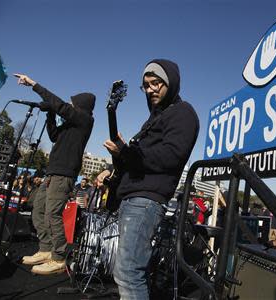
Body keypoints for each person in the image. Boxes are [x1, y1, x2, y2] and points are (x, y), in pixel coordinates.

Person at [99, 59, 199, 299]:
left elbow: (171, 156)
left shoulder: (183, 112)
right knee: (127, 271)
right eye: (146, 85)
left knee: (128, 272)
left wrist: (128, 152)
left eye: (157, 83)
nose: (151, 89)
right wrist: (119, 157)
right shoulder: (152, 120)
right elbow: (136, 161)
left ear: (171, 82)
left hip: (145, 201)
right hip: (133, 198)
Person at [15, 73, 95, 275]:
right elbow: (53, 136)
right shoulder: (70, 125)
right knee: (38, 210)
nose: (69, 105)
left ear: (80, 106)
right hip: (52, 172)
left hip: (64, 175)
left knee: (53, 214)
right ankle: (46, 249)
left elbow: (60, 106)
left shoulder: (84, 119)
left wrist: (34, 85)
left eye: (72, 103)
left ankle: (59, 258)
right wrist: (50, 114)